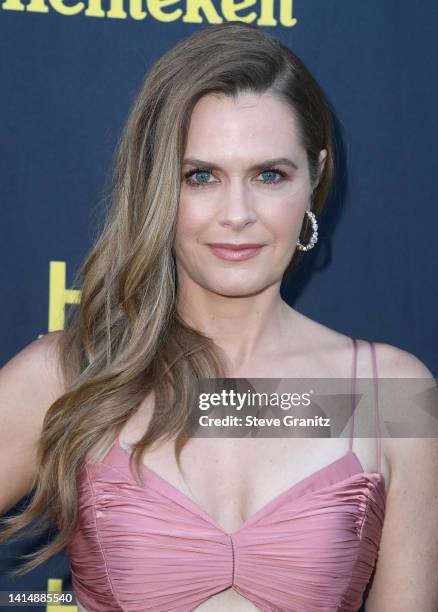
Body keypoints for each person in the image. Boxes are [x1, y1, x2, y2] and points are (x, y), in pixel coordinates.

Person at [1, 21, 437, 612]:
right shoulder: (67, 374)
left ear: (314, 177)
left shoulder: (393, 396)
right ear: (156, 184)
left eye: (269, 175)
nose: (237, 214)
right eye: (200, 176)